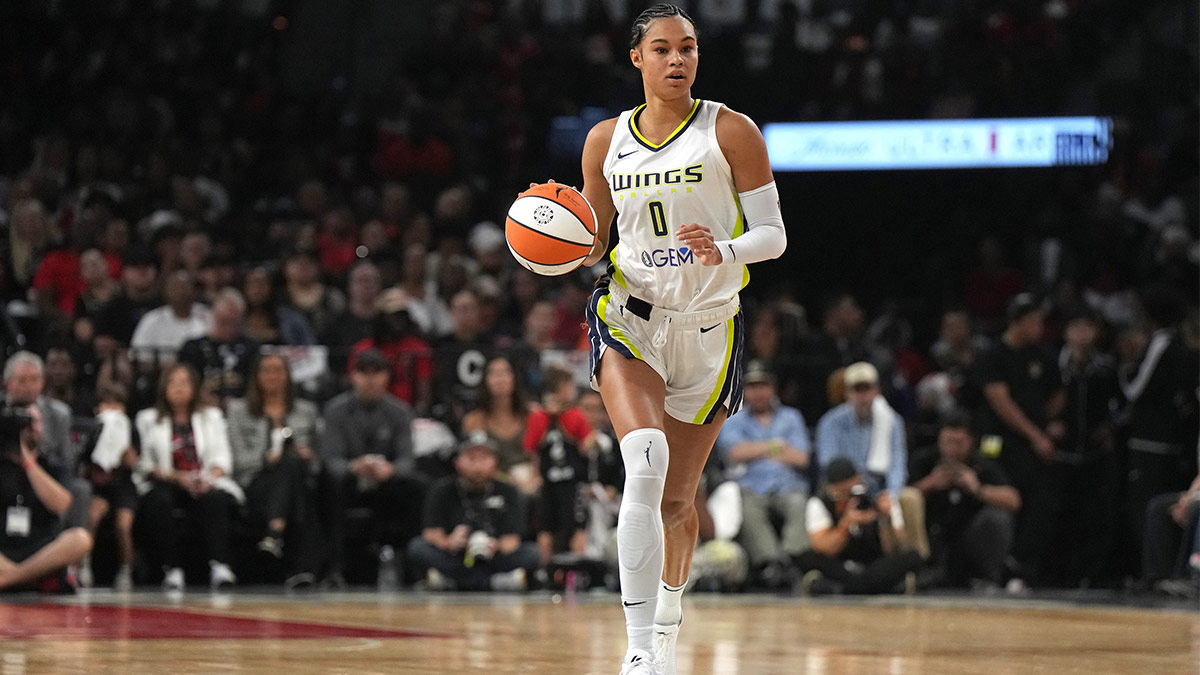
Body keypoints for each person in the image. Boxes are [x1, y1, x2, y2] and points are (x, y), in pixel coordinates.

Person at [573, 5, 787, 671]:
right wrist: (550, 246)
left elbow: (772, 236)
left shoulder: (731, 130)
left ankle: (668, 613)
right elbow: (591, 243)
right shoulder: (606, 139)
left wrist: (722, 248)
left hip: (708, 327)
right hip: (630, 317)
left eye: (687, 48)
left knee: (675, 501)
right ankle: (639, 654)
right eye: (662, 48)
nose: (677, 60)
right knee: (643, 460)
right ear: (636, 58)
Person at [976, 293, 1065, 587]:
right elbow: (1000, 401)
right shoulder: (993, 355)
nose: (1039, 326)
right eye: (1033, 321)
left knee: (1041, 502)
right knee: (1004, 497)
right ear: (1016, 322)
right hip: (1000, 442)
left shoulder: (1045, 355)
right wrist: (1034, 433)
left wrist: (1048, 422)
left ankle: (1024, 565)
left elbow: (1057, 393)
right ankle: (996, 566)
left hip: (1036, 445)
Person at [319, 348, 423, 587]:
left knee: (417, 485)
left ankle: (414, 570)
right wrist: (353, 467)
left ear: (386, 377)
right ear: (353, 376)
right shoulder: (335, 410)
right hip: (349, 484)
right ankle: (335, 567)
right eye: (364, 373)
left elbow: (407, 460)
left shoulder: (400, 412)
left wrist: (391, 470)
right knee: (329, 482)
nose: (370, 380)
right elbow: (330, 459)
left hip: (386, 483)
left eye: (377, 373)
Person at [134, 364, 242, 591]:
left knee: (216, 499)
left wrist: (208, 478)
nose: (179, 388)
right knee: (160, 501)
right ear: (164, 387)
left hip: (204, 480)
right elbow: (144, 463)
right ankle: (172, 569)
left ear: (195, 388)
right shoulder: (148, 418)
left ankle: (220, 566)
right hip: (166, 481)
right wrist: (176, 477)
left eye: (184, 383)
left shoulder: (211, 416)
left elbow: (223, 458)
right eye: (173, 382)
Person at [226, 354, 322, 589]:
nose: (273, 376)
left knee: (292, 465)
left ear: (288, 376)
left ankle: (274, 533)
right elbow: (238, 461)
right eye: (267, 370)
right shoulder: (239, 411)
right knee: (290, 471)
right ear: (256, 377)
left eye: (278, 370)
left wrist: (307, 456)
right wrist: (265, 459)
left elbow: (319, 461)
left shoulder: (306, 411)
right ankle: (301, 566)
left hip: (297, 482)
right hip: (256, 484)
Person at [715, 360, 811, 588]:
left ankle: (790, 559)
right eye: (752, 386)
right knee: (748, 510)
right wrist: (778, 446)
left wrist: (756, 449)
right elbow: (735, 452)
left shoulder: (791, 417)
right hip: (751, 486)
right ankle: (771, 562)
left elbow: (801, 458)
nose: (759, 392)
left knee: (799, 502)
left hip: (788, 484)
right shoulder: (734, 418)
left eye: (763, 385)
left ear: (773, 387)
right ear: (745, 390)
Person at [406, 433, 541, 592]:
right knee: (417, 548)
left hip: (493, 558)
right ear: (457, 462)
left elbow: (513, 539)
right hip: (456, 557)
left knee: (533, 552)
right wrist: (448, 542)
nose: (477, 466)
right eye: (471, 458)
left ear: (495, 462)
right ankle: (493, 583)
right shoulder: (441, 490)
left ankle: (453, 582)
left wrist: (494, 546)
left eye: (484, 458)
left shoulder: (509, 492)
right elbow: (431, 532)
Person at [814, 362, 922, 557]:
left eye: (867, 389)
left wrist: (892, 493)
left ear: (876, 391)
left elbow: (898, 464)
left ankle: (914, 562)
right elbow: (830, 465)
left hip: (880, 489)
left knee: (910, 498)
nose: (863, 396)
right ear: (847, 393)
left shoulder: (892, 421)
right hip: (844, 487)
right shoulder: (831, 423)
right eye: (857, 389)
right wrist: (856, 486)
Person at [907, 414, 1021, 588]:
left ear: (971, 441)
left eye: (959, 443)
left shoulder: (982, 464)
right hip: (931, 537)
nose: (952, 449)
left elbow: (1014, 500)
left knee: (998, 518)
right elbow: (900, 497)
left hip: (969, 539)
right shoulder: (923, 460)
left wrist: (977, 489)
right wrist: (929, 485)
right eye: (947, 442)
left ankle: (988, 578)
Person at [796, 457, 922, 596]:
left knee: (912, 557)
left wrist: (885, 519)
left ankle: (840, 588)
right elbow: (824, 548)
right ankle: (882, 587)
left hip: (871, 563)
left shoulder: (874, 499)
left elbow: (891, 550)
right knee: (808, 558)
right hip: (841, 565)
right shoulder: (820, 503)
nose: (847, 497)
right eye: (840, 493)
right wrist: (846, 523)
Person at [0, 406, 93, 592]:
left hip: (40, 548)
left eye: (35, 422)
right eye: (25, 424)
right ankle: (26, 578)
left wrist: (28, 463)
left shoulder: (54, 464)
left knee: (80, 538)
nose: (30, 429)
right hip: (3, 547)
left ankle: (10, 579)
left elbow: (61, 504)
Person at [523, 366, 595, 564]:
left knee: (548, 526)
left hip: (551, 480)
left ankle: (544, 568)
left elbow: (531, 449)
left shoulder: (538, 416)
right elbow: (587, 446)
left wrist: (535, 474)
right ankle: (576, 568)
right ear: (563, 387)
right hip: (569, 481)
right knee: (574, 527)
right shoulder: (574, 415)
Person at [78, 386, 139, 591]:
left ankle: (125, 570)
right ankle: (83, 566)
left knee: (123, 526)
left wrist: (125, 452)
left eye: (117, 404)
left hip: (123, 486)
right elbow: (84, 461)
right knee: (92, 518)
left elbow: (134, 462)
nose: (112, 410)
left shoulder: (131, 429)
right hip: (100, 487)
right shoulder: (94, 430)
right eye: (107, 404)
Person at [461, 356, 537, 494]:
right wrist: (508, 481)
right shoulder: (474, 420)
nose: (500, 379)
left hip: (532, 479)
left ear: (514, 378)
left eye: (505, 372)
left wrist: (535, 478)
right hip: (495, 482)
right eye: (493, 373)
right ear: (485, 380)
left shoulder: (533, 414)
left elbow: (541, 454)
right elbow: (476, 460)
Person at [176, 288, 259, 405]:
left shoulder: (251, 348)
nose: (229, 328)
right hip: (200, 408)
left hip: (242, 410)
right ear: (213, 316)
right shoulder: (192, 348)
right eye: (224, 321)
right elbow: (184, 381)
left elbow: (256, 385)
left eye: (234, 323)